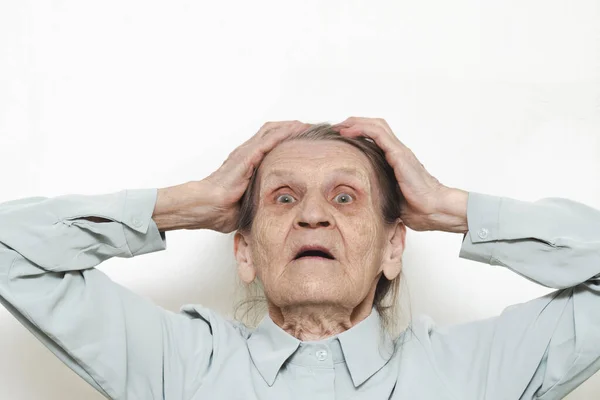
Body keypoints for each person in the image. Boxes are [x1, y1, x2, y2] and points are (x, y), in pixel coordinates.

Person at [0, 117, 598, 399]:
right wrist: (186, 204)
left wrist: (447, 206)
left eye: (345, 196)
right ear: (245, 252)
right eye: (284, 198)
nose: (313, 216)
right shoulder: (177, 364)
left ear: (394, 246)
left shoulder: (477, 372)